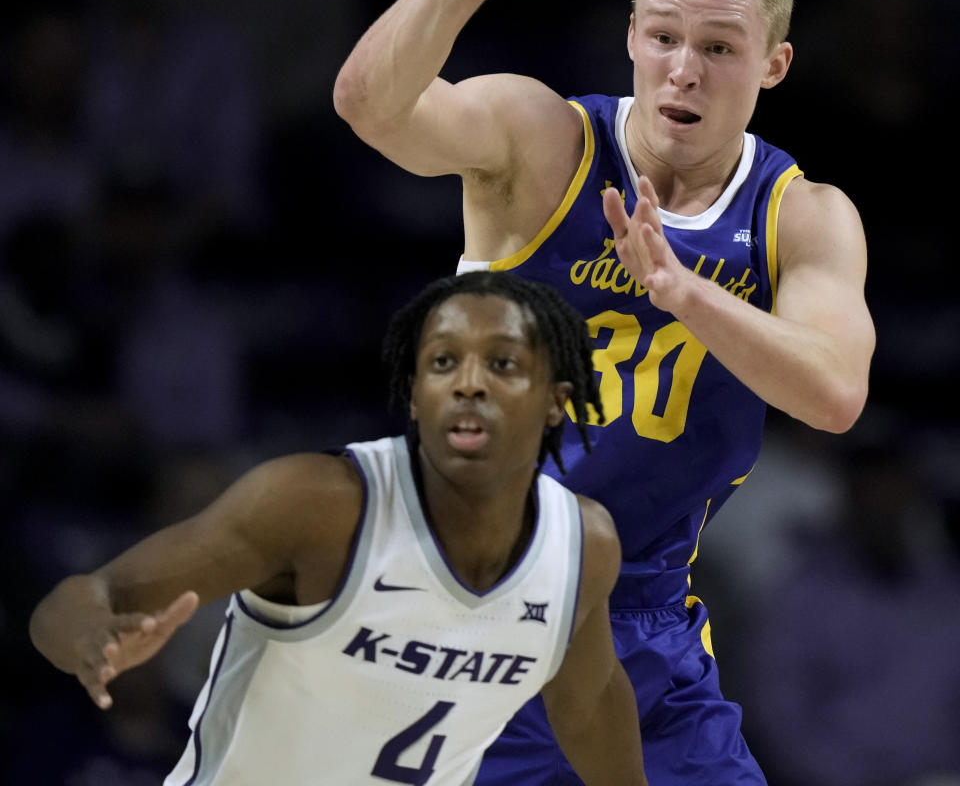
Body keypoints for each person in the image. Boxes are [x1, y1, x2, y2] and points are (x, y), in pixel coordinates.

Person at [333, 0, 876, 784]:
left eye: (719, 50)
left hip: (647, 630)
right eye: (663, 38)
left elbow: (836, 393)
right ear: (630, 35)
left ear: (775, 66)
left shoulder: (802, 216)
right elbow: (368, 105)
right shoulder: (542, 142)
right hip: (473, 614)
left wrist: (687, 294)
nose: (683, 71)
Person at [28, 270, 648, 786]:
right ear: (414, 396)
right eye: (442, 363)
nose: (468, 384)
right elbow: (81, 599)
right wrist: (92, 643)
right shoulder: (319, 505)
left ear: (555, 402)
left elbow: (589, 710)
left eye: (503, 363)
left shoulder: (581, 548)